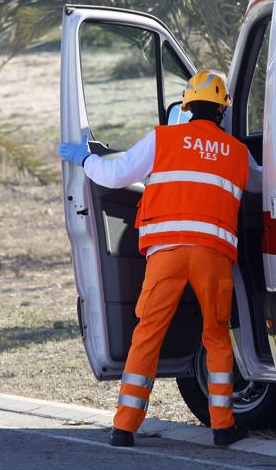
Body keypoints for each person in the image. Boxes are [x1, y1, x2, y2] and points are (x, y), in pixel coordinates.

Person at [59, 71, 259, 448]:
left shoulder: (162, 139)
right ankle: (223, 427)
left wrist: (85, 158)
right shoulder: (237, 152)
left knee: (148, 333)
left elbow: (116, 176)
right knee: (216, 337)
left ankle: (124, 427)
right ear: (222, 111)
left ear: (186, 107)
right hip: (212, 256)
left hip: (166, 254)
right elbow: (264, 184)